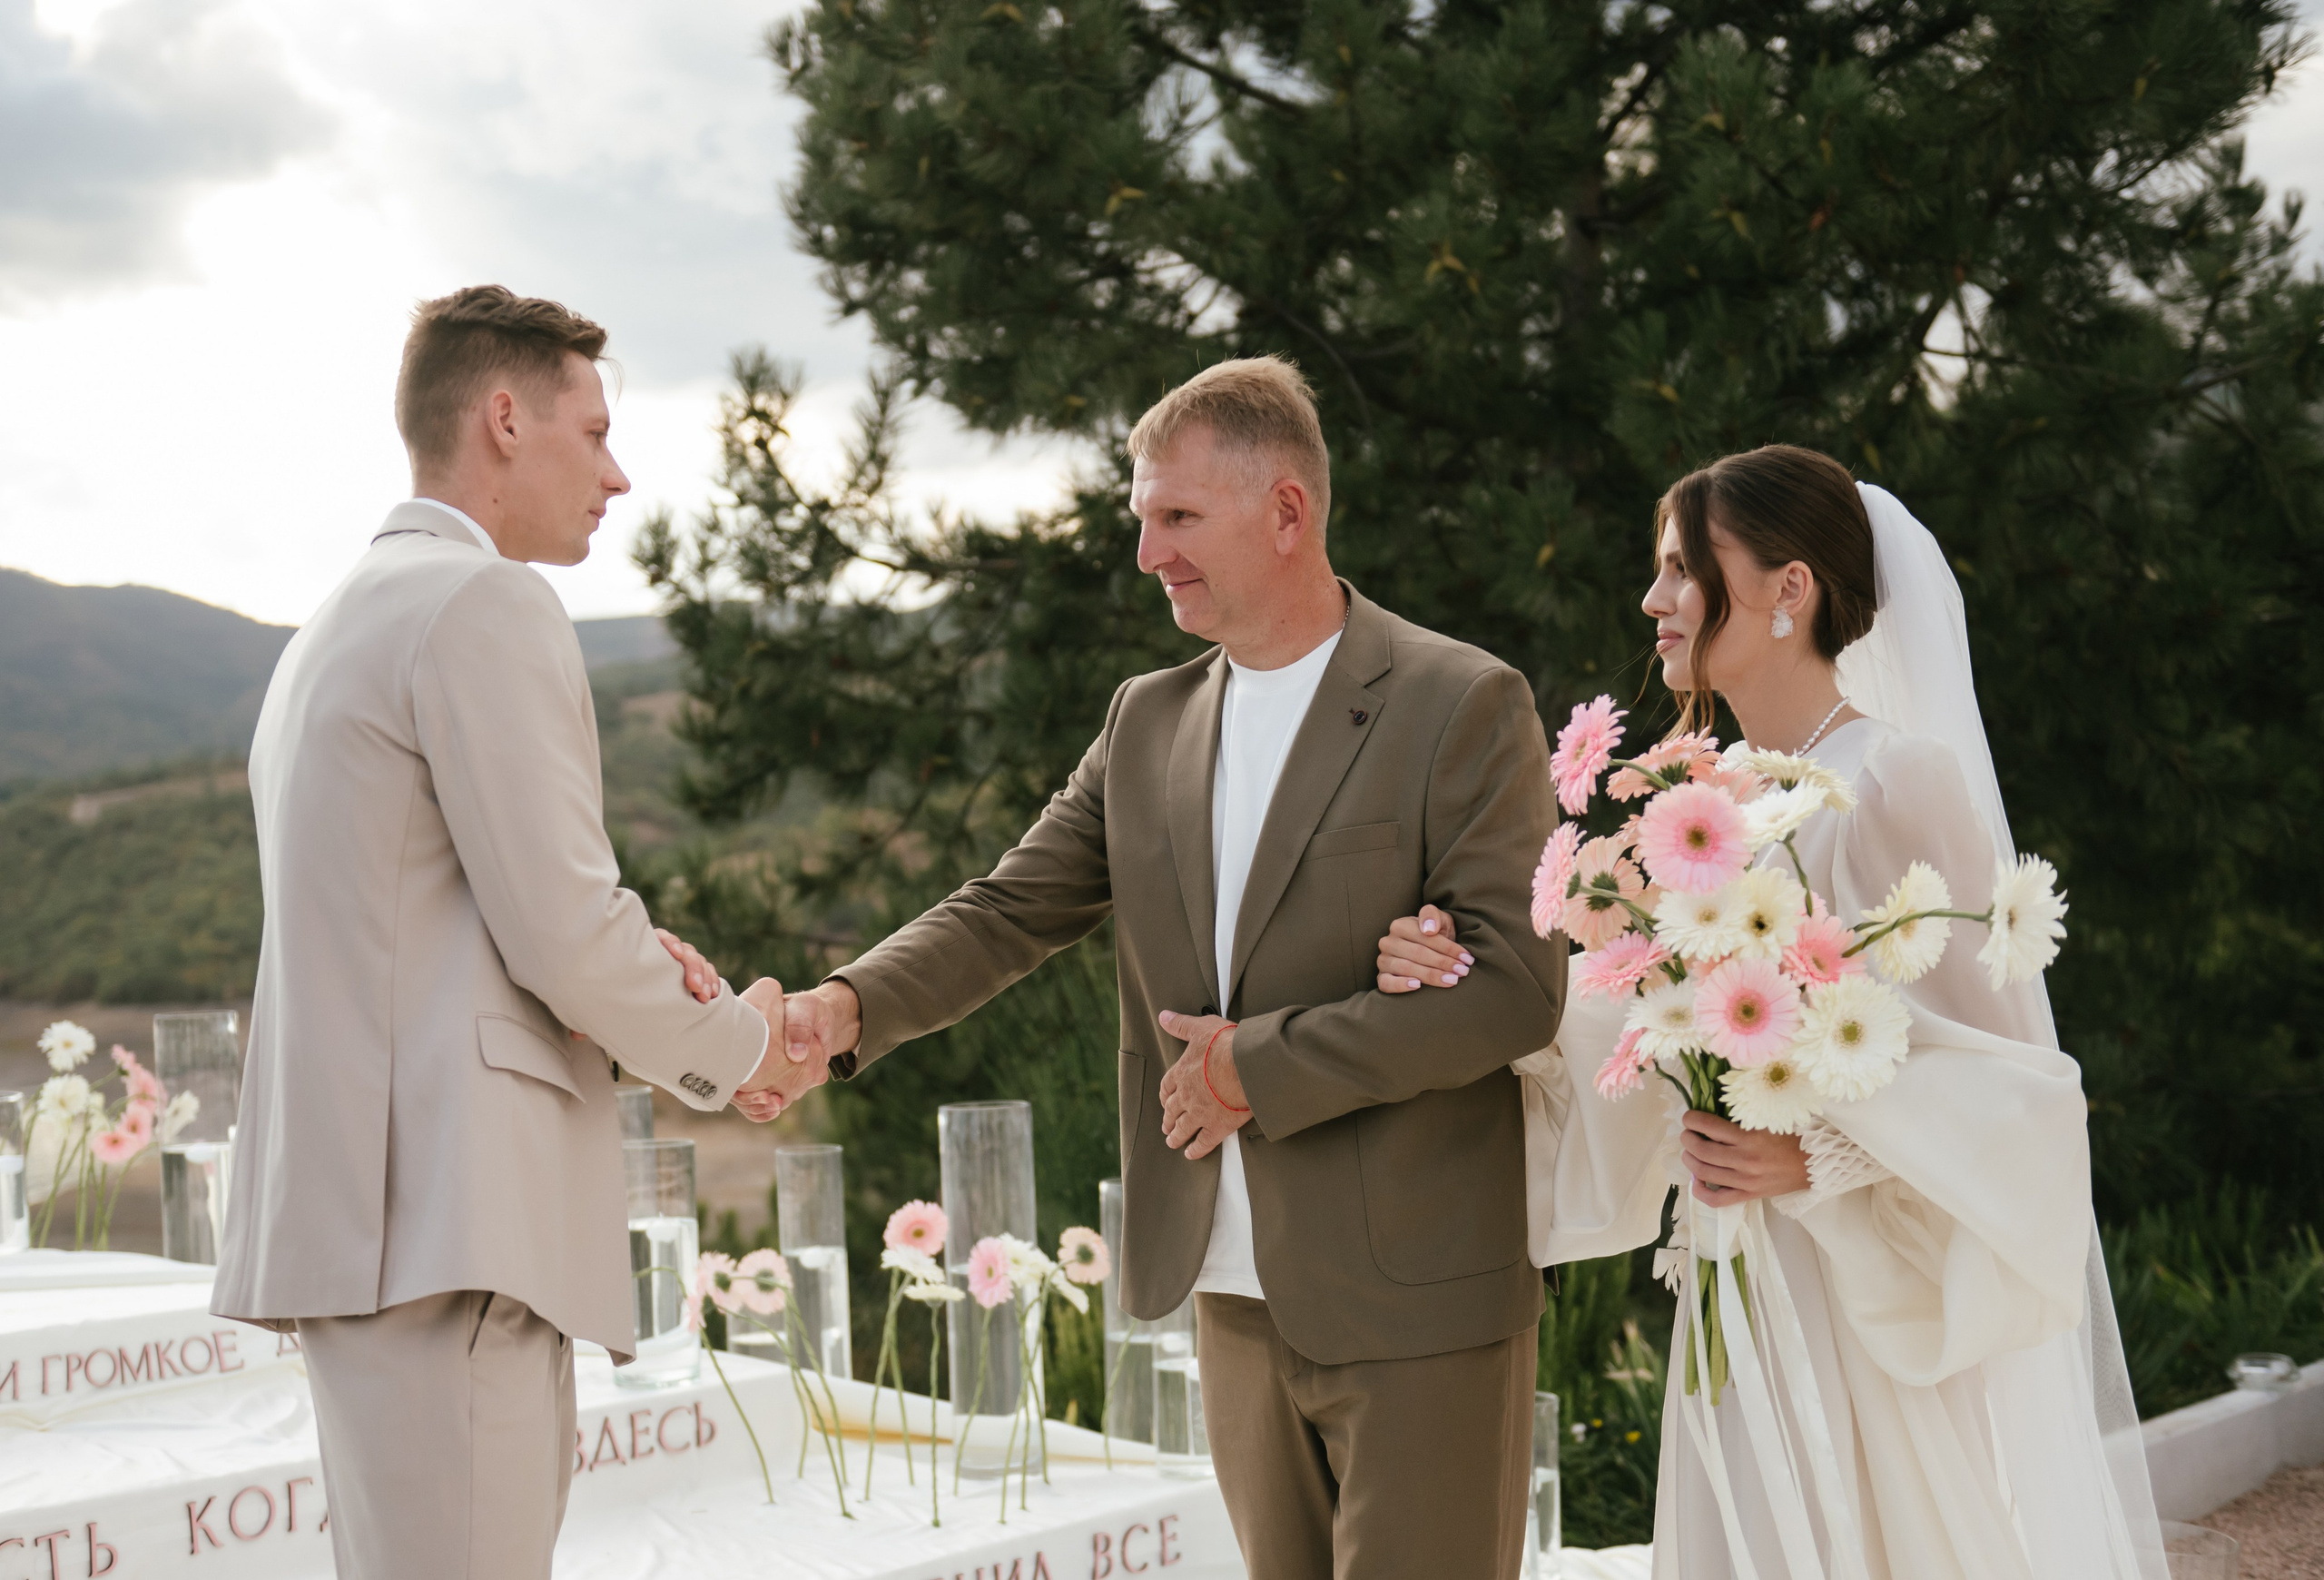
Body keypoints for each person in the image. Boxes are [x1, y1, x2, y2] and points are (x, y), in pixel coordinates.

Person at [758, 356, 1568, 1578]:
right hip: (1223, 1288)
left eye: (1178, 517)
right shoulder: (1146, 718)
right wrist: (843, 1006)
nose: (1148, 555)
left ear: (1287, 511)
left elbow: (1512, 990)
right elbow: (1008, 909)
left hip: (1417, 1297)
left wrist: (1253, 1070)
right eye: (1143, 519)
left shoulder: (1459, 701)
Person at [1375, 444, 2166, 1580]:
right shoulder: (1701, 801)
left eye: (1681, 569)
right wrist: (1471, 972)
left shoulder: (1894, 779)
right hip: (1730, 1282)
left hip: (1851, 1307)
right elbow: (1643, 1036)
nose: (1652, 600)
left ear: (1789, 588)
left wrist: (1816, 1157)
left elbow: (2010, 1095)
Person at [212, 285, 792, 1580]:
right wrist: (742, 1043)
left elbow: (449, 925)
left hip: (369, 1231)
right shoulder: (484, 603)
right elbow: (565, 931)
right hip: (454, 1227)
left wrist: (632, 985)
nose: (618, 476)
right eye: (597, 433)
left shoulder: (334, 626)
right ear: (505, 418)